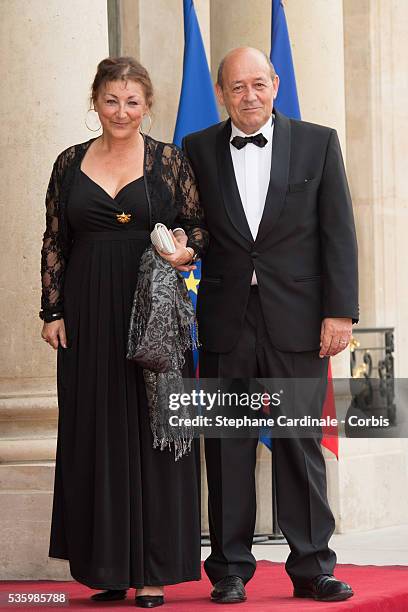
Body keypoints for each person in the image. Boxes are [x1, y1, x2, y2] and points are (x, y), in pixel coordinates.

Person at [183, 47, 358, 603]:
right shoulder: (197, 149)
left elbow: (338, 233)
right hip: (225, 319)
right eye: (237, 87)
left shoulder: (318, 141)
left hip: (300, 320)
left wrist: (340, 311)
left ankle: (312, 566)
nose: (249, 96)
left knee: (299, 443)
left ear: (276, 83)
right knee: (227, 447)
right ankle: (231, 567)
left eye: (259, 83)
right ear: (220, 92)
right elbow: (191, 226)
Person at [40, 56, 207, 608]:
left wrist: (186, 253)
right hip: (86, 314)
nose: (121, 111)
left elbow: (198, 228)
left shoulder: (169, 161)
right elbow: (55, 241)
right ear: (96, 101)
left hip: (151, 312)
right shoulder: (68, 163)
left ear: (147, 105)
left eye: (132, 101)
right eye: (111, 100)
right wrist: (53, 312)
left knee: (152, 432)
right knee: (94, 432)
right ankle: (106, 566)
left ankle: (153, 570)